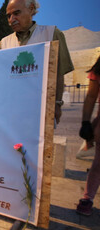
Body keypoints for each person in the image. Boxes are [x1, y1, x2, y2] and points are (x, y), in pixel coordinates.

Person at [0, 0, 74, 124]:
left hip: (42, 111)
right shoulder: (3, 44)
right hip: (11, 112)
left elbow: (59, 74)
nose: (11, 19)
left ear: (31, 9)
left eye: (16, 13)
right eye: (8, 16)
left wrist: (57, 104)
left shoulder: (52, 34)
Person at [76, 56, 100, 216]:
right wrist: (86, 122)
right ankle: (88, 197)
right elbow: (91, 96)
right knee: (98, 164)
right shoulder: (99, 68)